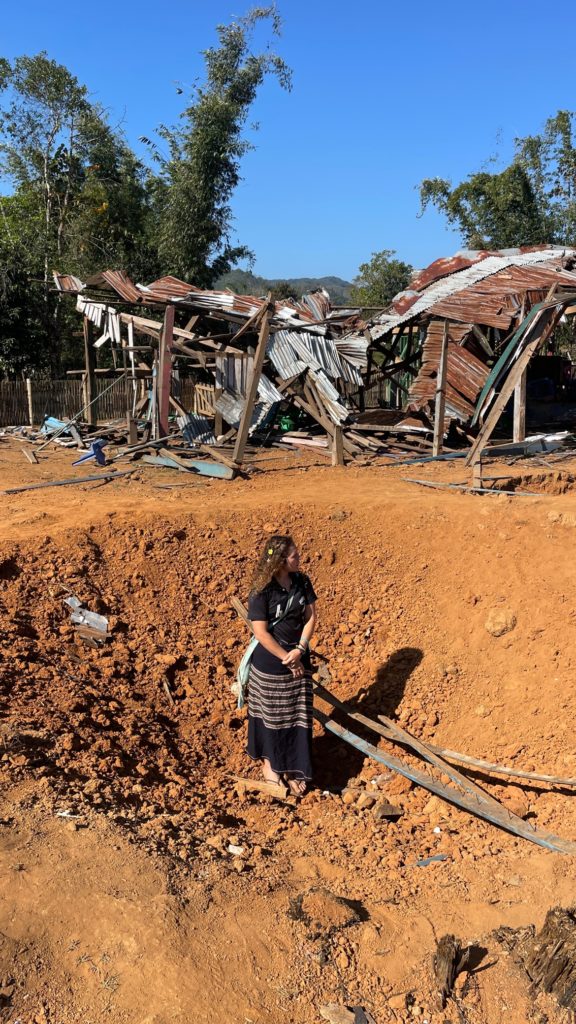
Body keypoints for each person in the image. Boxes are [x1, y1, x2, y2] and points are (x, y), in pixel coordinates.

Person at [246, 535, 317, 796]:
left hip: (299, 659)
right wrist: (285, 656)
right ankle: (272, 767)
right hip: (271, 665)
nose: (299, 559)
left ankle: (291, 767)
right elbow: (260, 632)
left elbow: (311, 616)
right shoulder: (262, 590)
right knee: (271, 718)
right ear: (279, 561)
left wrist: (299, 649)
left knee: (296, 717)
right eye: (294, 556)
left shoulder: (302, 581)